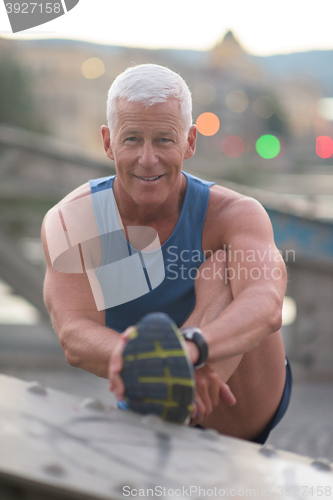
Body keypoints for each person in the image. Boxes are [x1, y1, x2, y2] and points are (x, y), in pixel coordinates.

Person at [41, 64, 291, 444]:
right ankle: (172, 382)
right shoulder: (72, 220)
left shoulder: (235, 213)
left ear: (190, 142)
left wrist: (191, 349)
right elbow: (74, 332)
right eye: (131, 140)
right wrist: (147, 358)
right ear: (108, 143)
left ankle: (185, 377)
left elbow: (266, 301)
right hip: (153, 395)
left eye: (163, 140)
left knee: (222, 266)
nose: (147, 158)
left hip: (243, 401)